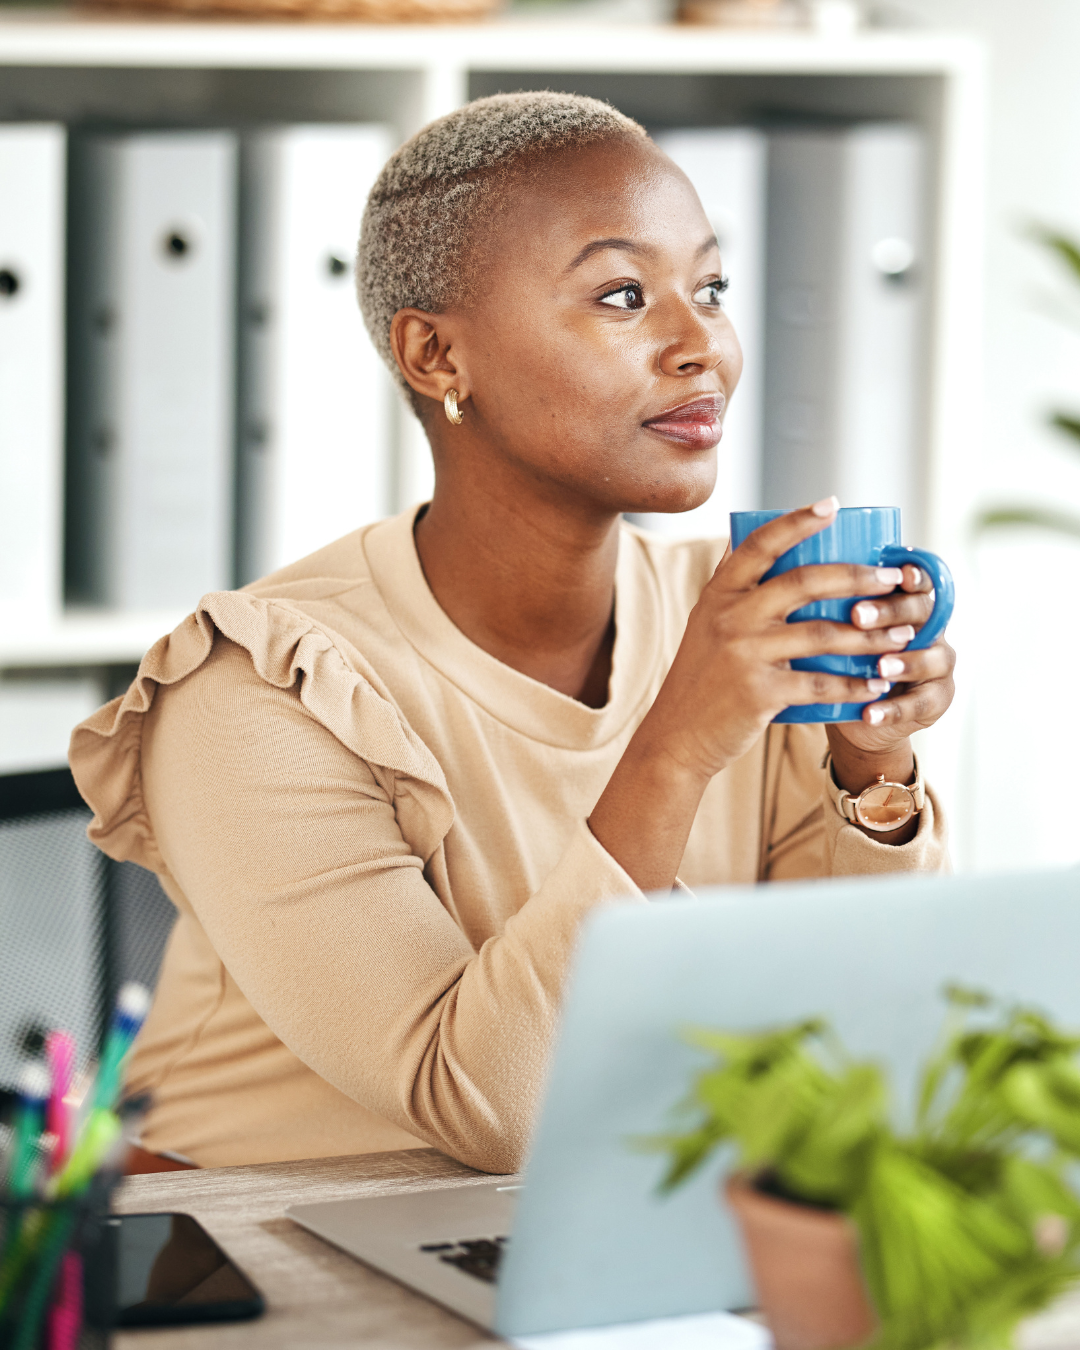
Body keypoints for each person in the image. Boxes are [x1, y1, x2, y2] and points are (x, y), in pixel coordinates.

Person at [70, 92, 954, 1175]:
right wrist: (679, 744)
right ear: (438, 358)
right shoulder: (260, 692)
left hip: (602, 1229)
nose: (703, 347)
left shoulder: (722, 619)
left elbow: (856, 1032)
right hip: (265, 1271)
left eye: (711, 288)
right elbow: (490, 1109)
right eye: (626, 295)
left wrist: (870, 765)